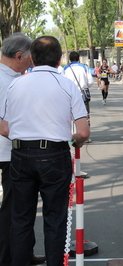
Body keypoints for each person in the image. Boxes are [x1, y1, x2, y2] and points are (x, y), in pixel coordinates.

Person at [0, 35, 90, 266]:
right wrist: (73, 141)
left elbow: (3, 126)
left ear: (33, 58)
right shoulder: (67, 85)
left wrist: (24, 135)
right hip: (54, 155)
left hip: (19, 155)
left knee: (20, 220)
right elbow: (82, 132)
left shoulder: (15, 84)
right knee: (54, 220)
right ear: (59, 59)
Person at [0, 33, 46, 266]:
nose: (32, 63)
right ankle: (9, 257)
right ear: (19, 56)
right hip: (9, 152)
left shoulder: (15, 78)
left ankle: (24, 252)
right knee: (14, 209)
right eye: (30, 59)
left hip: (11, 151)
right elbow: (5, 127)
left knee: (20, 207)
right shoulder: (7, 82)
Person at [63, 51, 94, 142]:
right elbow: (90, 81)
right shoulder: (84, 68)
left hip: (68, 95)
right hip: (82, 94)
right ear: (79, 58)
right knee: (85, 115)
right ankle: (86, 136)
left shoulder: (65, 69)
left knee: (69, 115)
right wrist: (85, 86)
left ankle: (70, 135)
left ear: (69, 59)